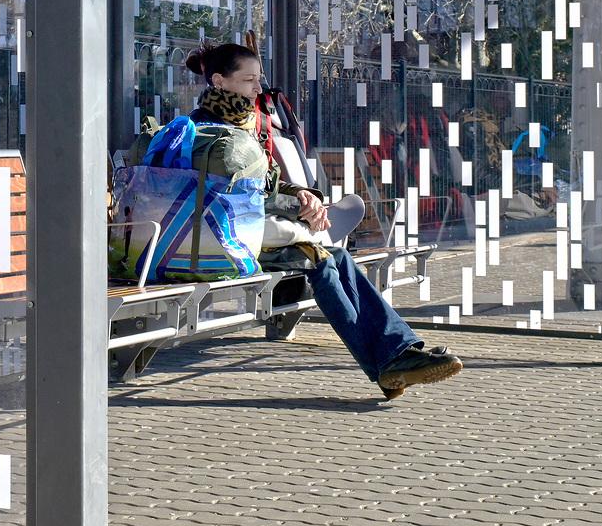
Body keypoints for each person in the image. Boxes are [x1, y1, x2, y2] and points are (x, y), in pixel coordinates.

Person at [183, 42, 463, 399]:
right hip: (222, 241)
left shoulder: (242, 125)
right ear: (220, 81)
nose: (257, 88)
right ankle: (391, 360)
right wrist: (296, 206)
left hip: (248, 233)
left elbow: (264, 184)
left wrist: (300, 194)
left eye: (259, 79)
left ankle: (396, 357)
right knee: (325, 261)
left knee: (336, 258)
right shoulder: (207, 132)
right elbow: (238, 197)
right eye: (248, 80)